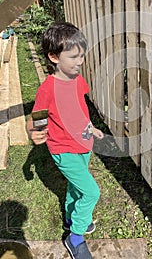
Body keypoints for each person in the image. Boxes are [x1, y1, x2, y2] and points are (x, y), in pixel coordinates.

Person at [26, 22, 104, 259]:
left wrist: (91, 127)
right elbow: (37, 117)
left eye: (81, 55)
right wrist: (34, 131)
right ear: (53, 56)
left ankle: (71, 217)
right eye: (73, 56)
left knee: (75, 186)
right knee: (91, 192)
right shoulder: (47, 89)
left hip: (83, 145)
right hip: (63, 150)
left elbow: (78, 108)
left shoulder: (77, 79)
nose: (79, 61)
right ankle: (76, 237)